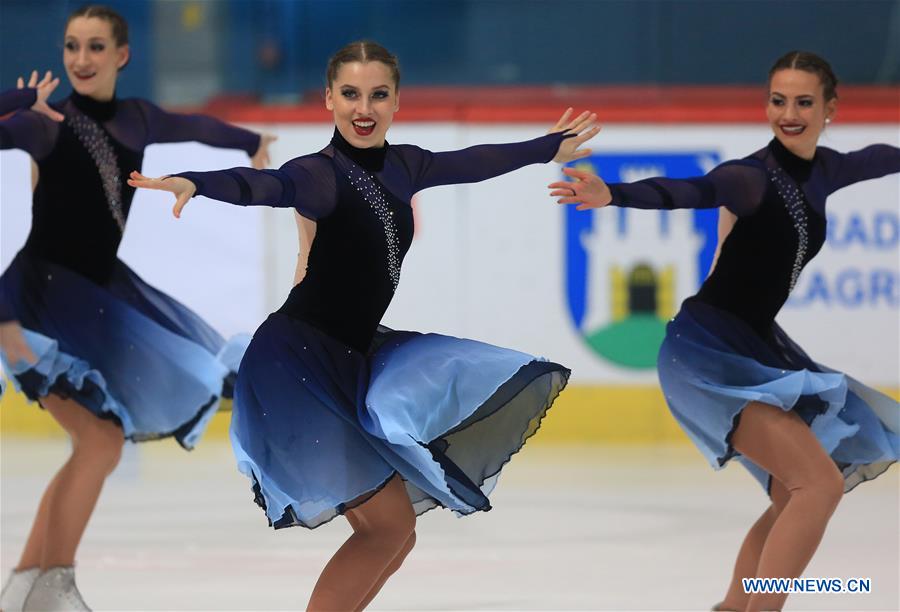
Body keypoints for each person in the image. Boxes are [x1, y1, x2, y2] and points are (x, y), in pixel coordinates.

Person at [129, 40, 598, 611]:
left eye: (378, 94)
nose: (363, 107)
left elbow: (474, 161)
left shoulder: (408, 166)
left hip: (347, 359)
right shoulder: (319, 175)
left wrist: (547, 147)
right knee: (387, 527)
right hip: (296, 363)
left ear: (397, 102)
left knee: (395, 533)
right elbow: (265, 187)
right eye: (350, 94)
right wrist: (197, 183)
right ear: (328, 99)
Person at [549, 50, 899, 612]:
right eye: (778, 100)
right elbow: (688, 191)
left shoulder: (828, 170)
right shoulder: (751, 177)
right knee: (819, 487)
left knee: (795, 494)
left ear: (830, 108)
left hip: (759, 347)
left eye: (804, 102)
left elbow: (881, 157)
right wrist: (613, 193)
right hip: (705, 352)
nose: (789, 113)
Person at [0, 5, 274, 610]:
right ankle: (52, 586)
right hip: (35, 304)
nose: (81, 59)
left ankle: (27, 585)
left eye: (96, 47)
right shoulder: (45, 124)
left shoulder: (138, 119)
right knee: (99, 444)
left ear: (122, 55)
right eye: (72, 46)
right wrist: (15, 100)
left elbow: (196, 122)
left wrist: (251, 140)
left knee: (94, 443)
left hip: (97, 297)